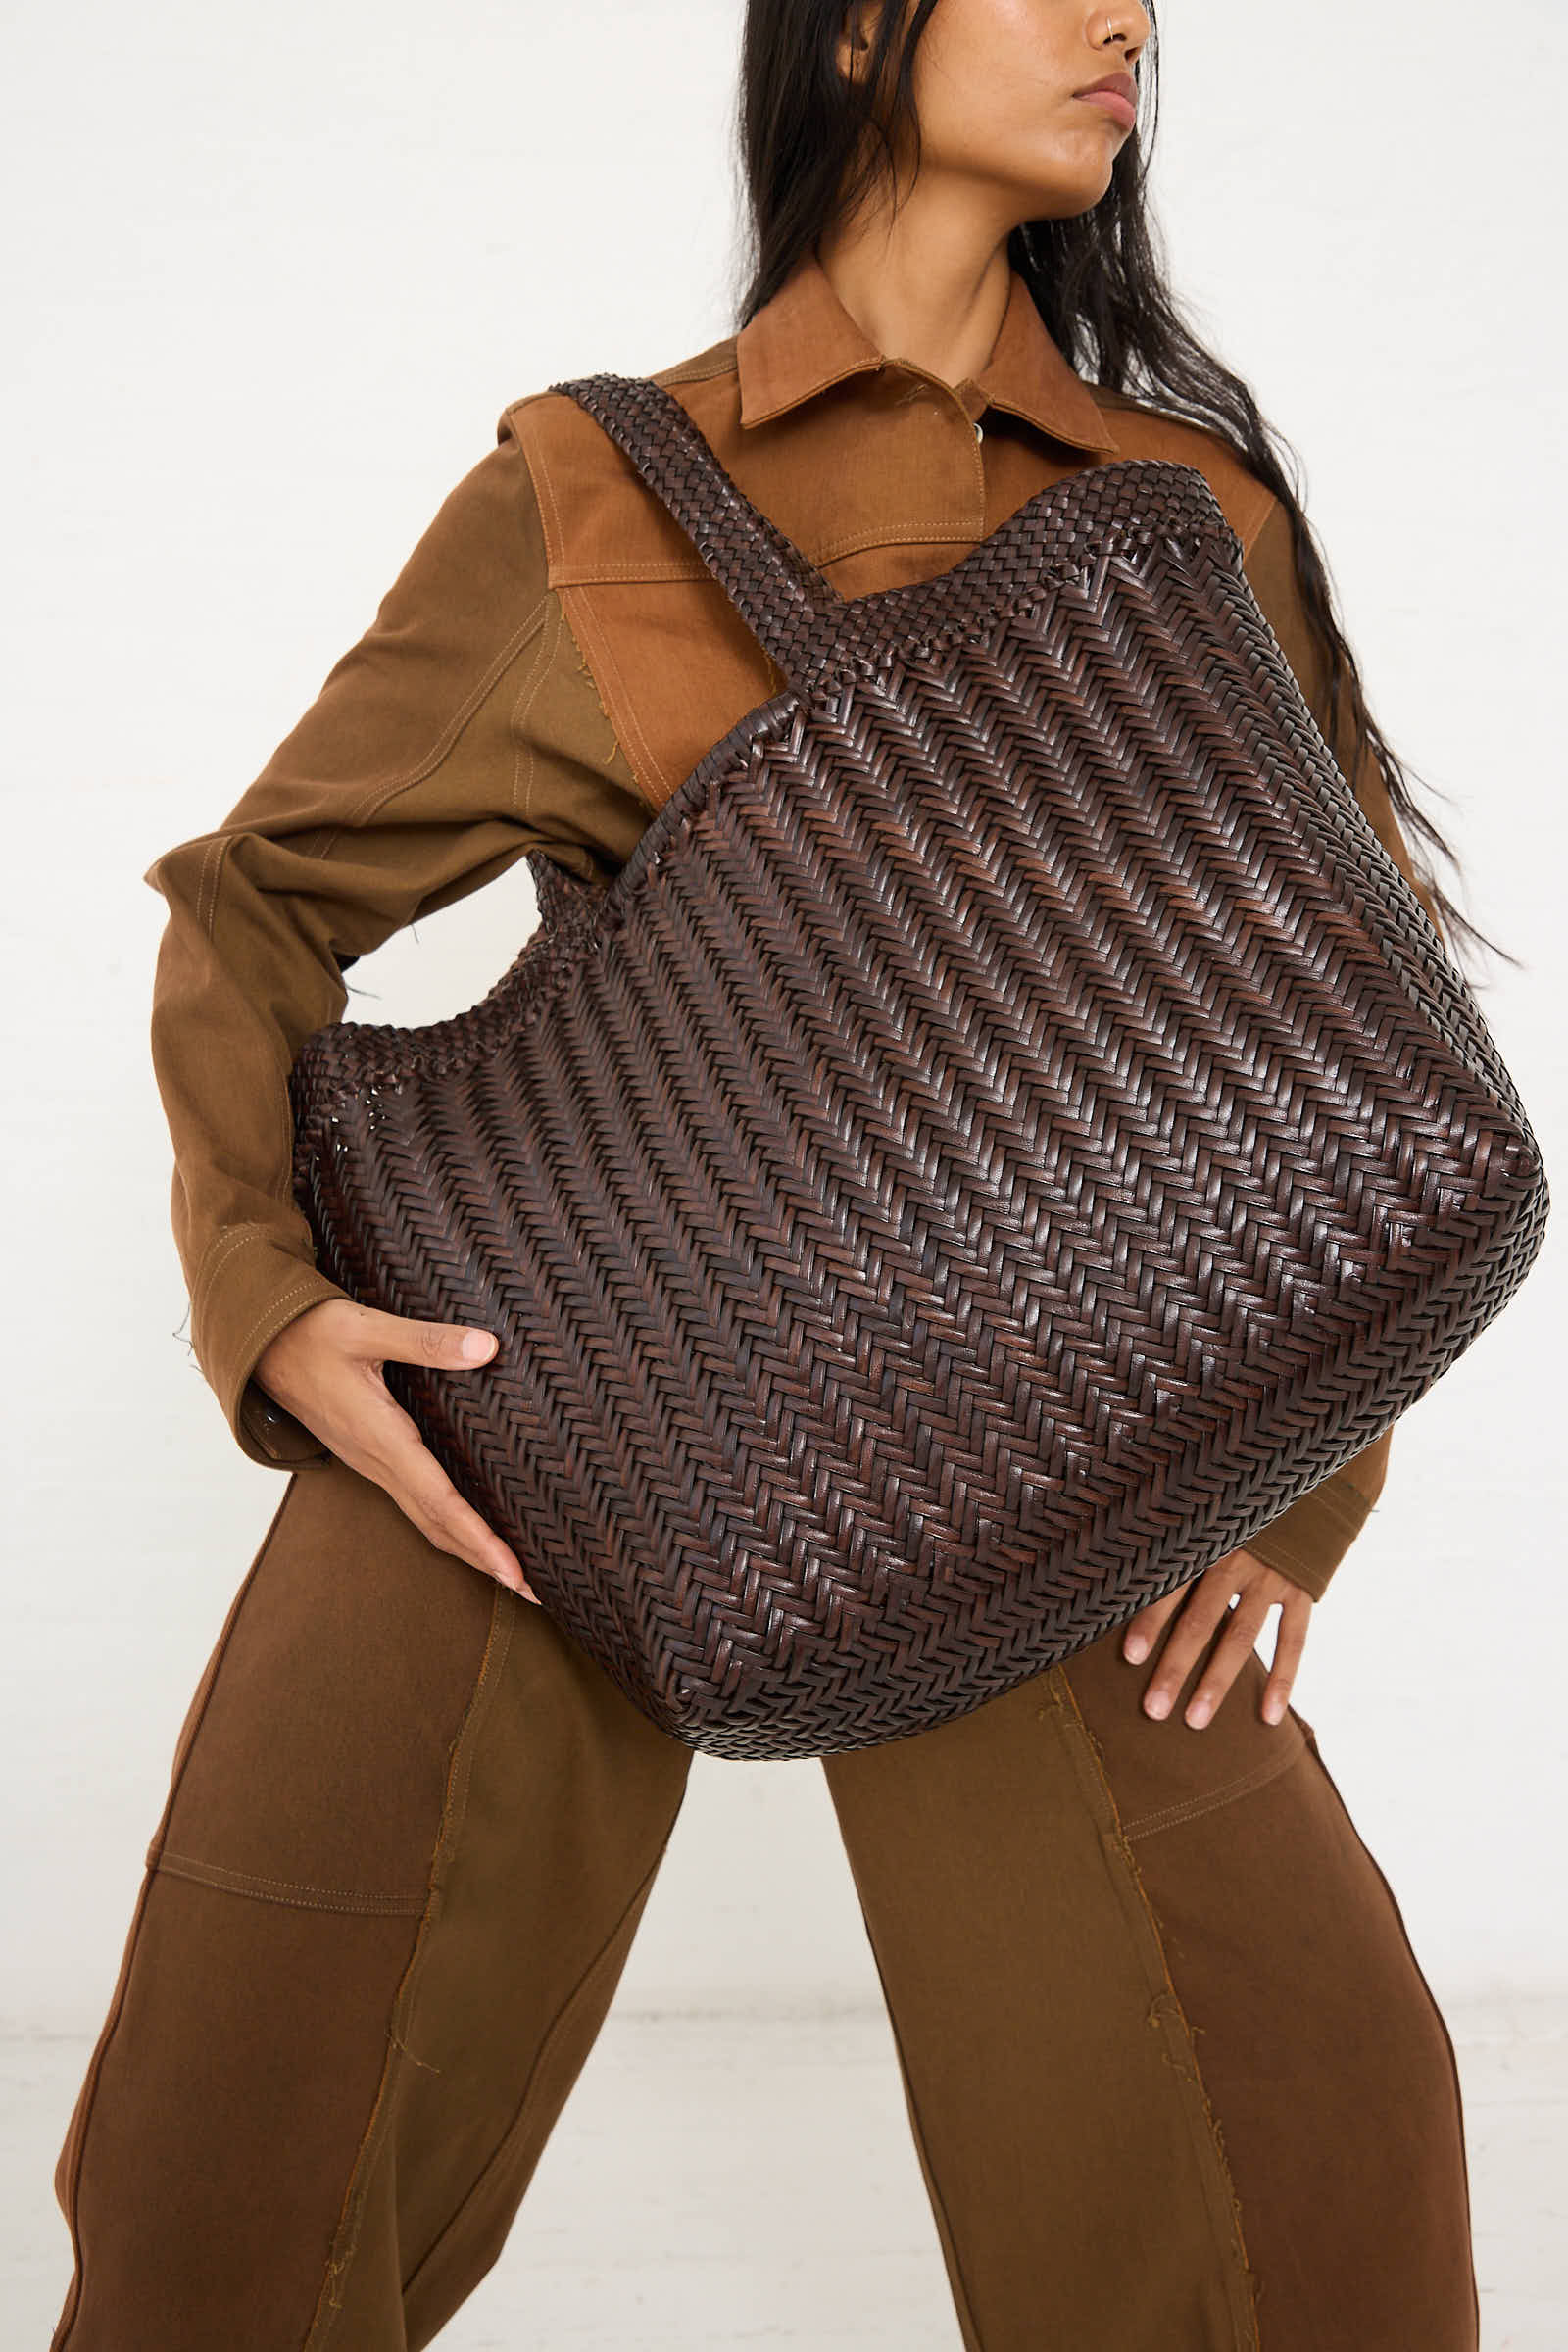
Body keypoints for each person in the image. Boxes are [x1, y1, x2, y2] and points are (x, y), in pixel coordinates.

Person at [49, 5, 1489, 2346]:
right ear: (845, 30)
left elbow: (1340, 1064)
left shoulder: (1182, 519)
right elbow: (254, 907)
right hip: (575, 1386)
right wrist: (270, 1307)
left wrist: (1287, 1501)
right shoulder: (587, 490)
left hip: (1048, 1455)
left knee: (1296, 2164)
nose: (1121, 17)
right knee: (243, 2136)